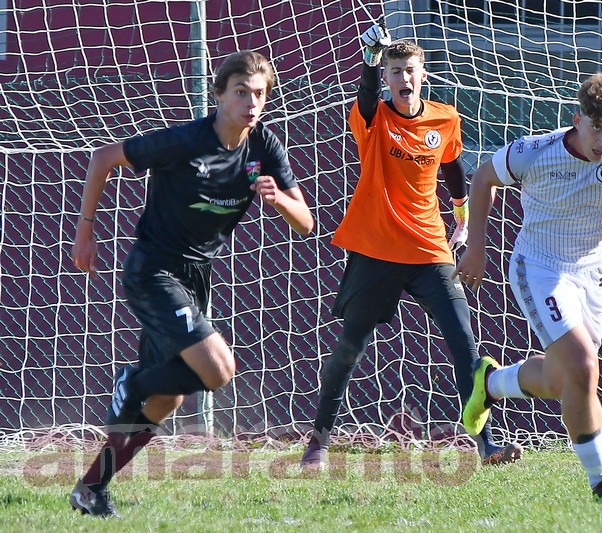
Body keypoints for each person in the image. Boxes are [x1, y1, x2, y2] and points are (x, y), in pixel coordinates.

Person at [69, 50, 314, 517]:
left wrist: (279, 199)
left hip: (196, 278)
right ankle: (132, 381)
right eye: (240, 92)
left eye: (258, 94)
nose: (251, 103)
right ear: (218, 95)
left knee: (169, 398)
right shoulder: (186, 140)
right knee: (219, 370)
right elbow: (103, 158)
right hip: (154, 270)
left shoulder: (264, 146)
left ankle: (91, 488)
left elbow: (306, 223)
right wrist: (85, 231)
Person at [299, 22, 522, 469]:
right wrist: (369, 59)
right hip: (377, 250)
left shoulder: (445, 118)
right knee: (350, 348)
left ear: (423, 75)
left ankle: (487, 445)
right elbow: (365, 97)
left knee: (464, 342)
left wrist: (461, 213)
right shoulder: (373, 117)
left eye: (410, 70)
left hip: (430, 251)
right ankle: (318, 443)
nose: (404, 78)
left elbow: (453, 165)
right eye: (395, 71)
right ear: (386, 78)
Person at [457, 70, 602, 506]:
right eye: (596, 128)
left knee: (564, 379)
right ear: (577, 119)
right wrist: (476, 246)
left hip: (594, 276)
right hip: (540, 269)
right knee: (583, 366)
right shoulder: (535, 152)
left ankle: (490, 382)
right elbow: (482, 178)